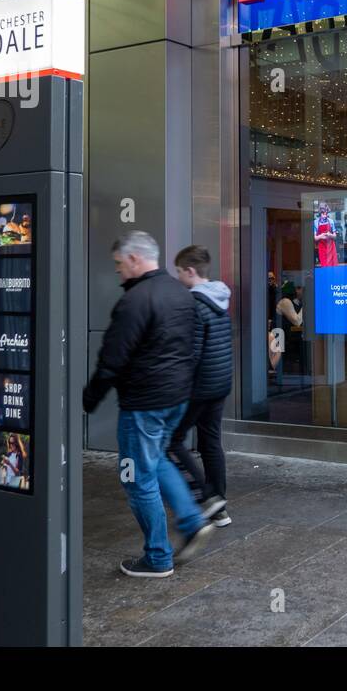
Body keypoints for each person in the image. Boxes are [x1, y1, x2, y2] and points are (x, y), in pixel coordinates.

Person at [82, 231, 215, 577]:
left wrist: (89, 399)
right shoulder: (181, 293)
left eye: (118, 264)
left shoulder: (135, 301)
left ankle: (157, 557)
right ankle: (190, 519)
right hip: (176, 398)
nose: (117, 271)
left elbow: (112, 359)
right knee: (155, 460)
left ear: (134, 259)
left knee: (137, 478)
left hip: (144, 404)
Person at [170, 246, 234, 528]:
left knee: (172, 440)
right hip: (220, 383)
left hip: (199, 387)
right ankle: (220, 506)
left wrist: (177, 385)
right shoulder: (220, 299)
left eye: (180, 272)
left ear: (190, 271)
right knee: (211, 442)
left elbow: (191, 353)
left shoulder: (194, 304)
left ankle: (208, 497)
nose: (179, 277)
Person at [314, 201, 339, 267]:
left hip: (331, 248)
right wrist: (321, 236)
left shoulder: (331, 221)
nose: (325, 214)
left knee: (333, 267)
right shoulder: (316, 222)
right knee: (324, 267)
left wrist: (330, 235)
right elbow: (314, 238)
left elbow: (335, 236)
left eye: (326, 212)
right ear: (320, 212)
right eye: (323, 213)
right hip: (322, 248)